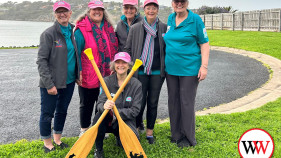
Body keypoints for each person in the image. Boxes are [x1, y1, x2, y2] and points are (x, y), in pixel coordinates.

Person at [163, 0, 210, 148]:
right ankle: (176, 134)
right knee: (173, 101)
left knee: (186, 102)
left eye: (182, 1)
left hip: (189, 69)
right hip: (171, 69)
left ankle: (188, 137)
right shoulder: (171, 18)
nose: (179, 4)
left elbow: (204, 43)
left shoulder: (195, 19)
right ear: (172, 3)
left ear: (187, 3)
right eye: (176, 1)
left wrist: (204, 66)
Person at [37, 1, 80, 153]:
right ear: (55, 14)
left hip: (68, 82)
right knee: (47, 112)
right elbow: (41, 60)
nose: (62, 14)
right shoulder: (49, 34)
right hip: (52, 84)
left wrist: (77, 74)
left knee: (62, 111)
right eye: (58, 11)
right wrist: (49, 84)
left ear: (70, 13)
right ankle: (47, 143)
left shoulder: (71, 31)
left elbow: (73, 56)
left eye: (65, 11)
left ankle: (57, 139)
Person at [74, 0, 118, 137]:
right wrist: (78, 71)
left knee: (104, 103)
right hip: (89, 73)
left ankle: (100, 128)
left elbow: (114, 49)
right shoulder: (81, 29)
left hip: (106, 74)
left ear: (103, 11)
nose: (97, 12)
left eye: (100, 9)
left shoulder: (109, 28)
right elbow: (76, 53)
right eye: (94, 9)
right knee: (86, 104)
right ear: (89, 11)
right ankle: (84, 130)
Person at [125, 0, 166, 144]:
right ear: (144, 10)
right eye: (148, 8)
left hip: (156, 72)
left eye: (154, 8)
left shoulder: (163, 28)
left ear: (157, 10)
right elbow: (128, 50)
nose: (151, 11)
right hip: (140, 72)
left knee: (153, 102)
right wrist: (128, 69)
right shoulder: (135, 28)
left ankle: (149, 132)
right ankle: (135, 129)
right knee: (139, 103)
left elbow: (167, 49)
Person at [92, 52, 142, 158]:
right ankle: (98, 149)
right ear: (113, 65)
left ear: (129, 65)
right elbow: (99, 103)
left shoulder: (136, 84)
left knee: (130, 144)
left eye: (124, 62)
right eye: (117, 62)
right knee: (98, 117)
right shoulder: (106, 81)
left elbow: (135, 110)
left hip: (125, 120)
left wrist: (116, 112)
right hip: (107, 119)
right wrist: (104, 106)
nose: (120, 65)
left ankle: (119, 137)